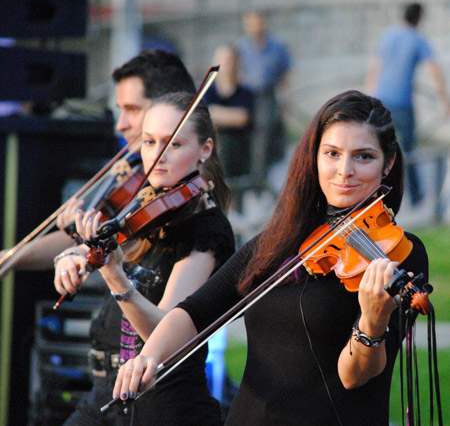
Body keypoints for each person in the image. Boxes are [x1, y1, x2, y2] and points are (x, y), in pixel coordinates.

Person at [113, 90, 429, 425]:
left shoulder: (399, 254)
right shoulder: (281, 240)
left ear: (389, 162)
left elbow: (355, 376)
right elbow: (196, 311)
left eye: (363, 156)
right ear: (314, 158)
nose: (344, 170)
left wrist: (372, 320)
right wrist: (148, 356)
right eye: (332, 153)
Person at [54, 92, 235, 425]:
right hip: (105, 393)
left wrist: (115, 277)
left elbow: (164, 333)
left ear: (204, 150)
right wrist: (70, 254)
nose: (156, 156)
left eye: (173, 145)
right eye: (149, 142)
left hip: (160, 404)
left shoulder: (207, 231)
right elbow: (94, 245)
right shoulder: (149, 205)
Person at [0, 49, 196, 272]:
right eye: (120, 111)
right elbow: (94, 239)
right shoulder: (139, 175)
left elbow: (124, 245)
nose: (120, 125)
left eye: (132, 110)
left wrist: (80, 241)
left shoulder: (185, 192)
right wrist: (8, 258)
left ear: (168, 110)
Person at [365, 2, 450, 205]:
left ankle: (381, 195)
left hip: (381, 101)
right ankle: (415, 195)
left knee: (382, 149)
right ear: (419, 18)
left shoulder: (388, 36)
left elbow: (375, 67)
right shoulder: (418, 39)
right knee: (408, 150)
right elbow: (433, 70)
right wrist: (444, 100)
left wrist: (368, 96)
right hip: (402, 103)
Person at [237, 10, 291, 183]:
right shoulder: (241, 47)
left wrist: (285, 99)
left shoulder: (277, 46)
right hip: (245, 95)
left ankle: (261, 177)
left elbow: (284, 76)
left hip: (267, 95)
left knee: (265, 133)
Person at [204, 44, 253, 179]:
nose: (226, 65)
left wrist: (215, 112)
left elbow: (242, 118)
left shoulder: (245, 93)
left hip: (238, 155)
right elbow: (204, 116)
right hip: (212, 157)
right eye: (222, 60)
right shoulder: (207, 92)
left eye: (229, 60)